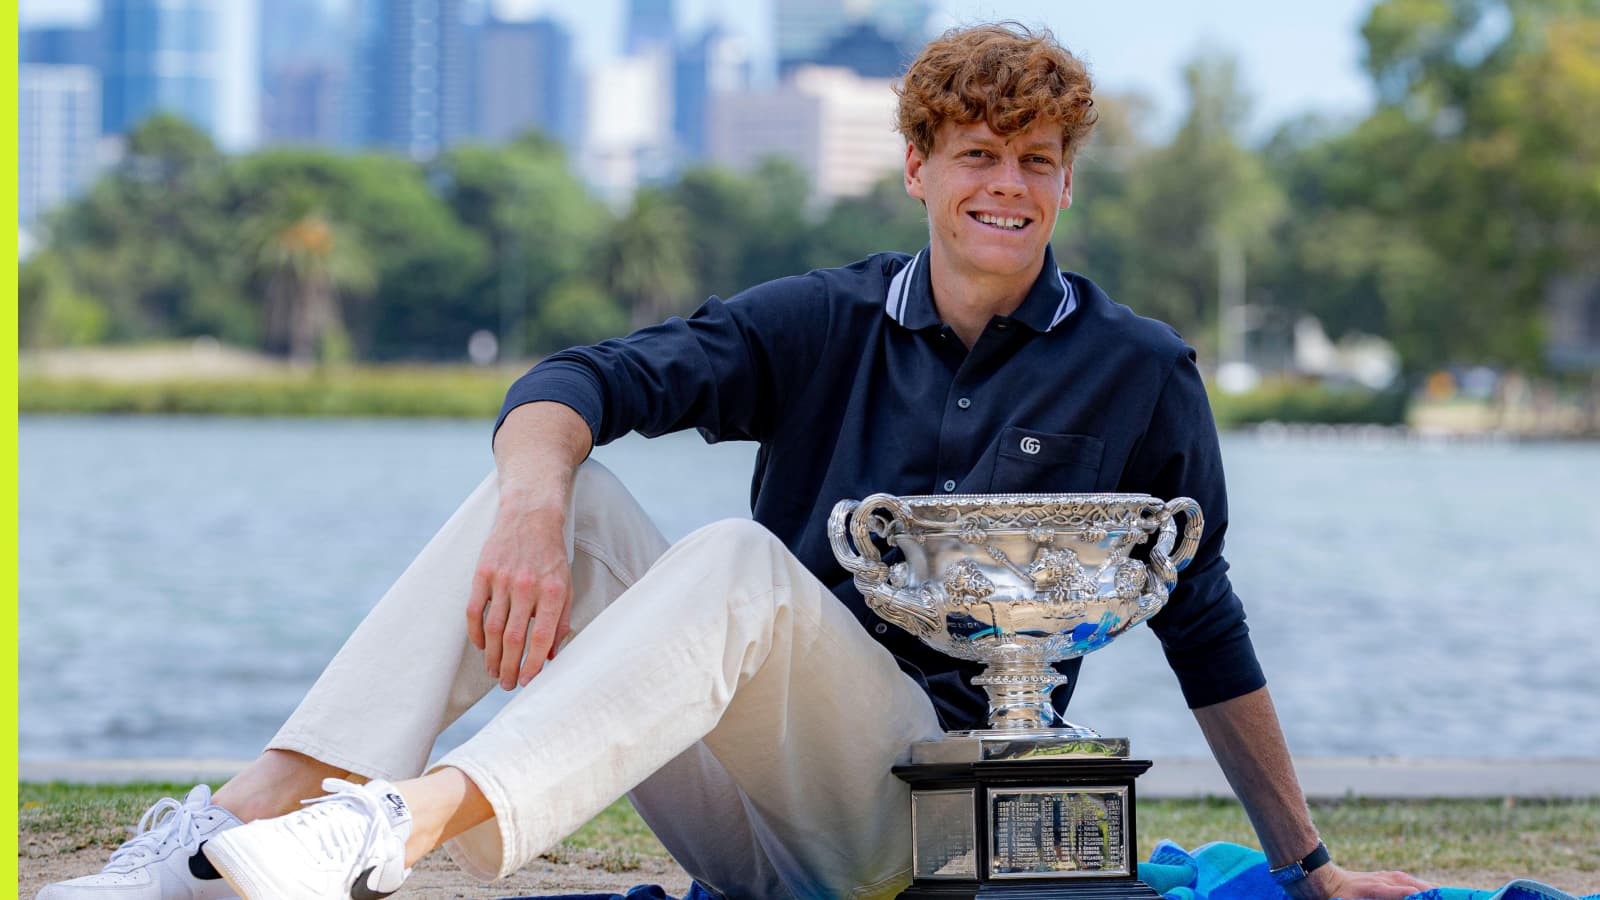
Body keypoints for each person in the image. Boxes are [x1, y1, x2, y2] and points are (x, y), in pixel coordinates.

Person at [38, 23, 1434, 900]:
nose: (1004, 185)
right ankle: (222, 836)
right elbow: (579, 381)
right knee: (576, 490)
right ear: (917, 167)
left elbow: (1202, 613)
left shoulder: (1139, 368)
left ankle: (390, 832)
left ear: (1068, 181)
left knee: (734, 565)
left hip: (925, 822)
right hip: (741, 817)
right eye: (975, 154)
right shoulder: (823, 318)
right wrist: (530, 504)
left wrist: (1307, 869)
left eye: (1035, 160)